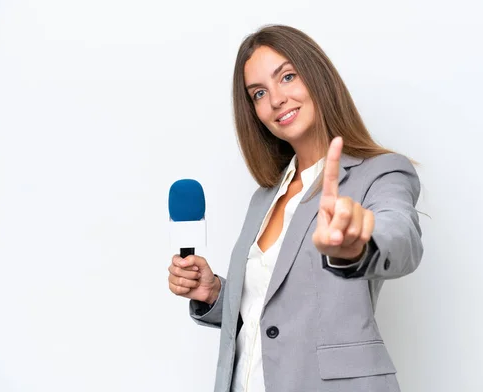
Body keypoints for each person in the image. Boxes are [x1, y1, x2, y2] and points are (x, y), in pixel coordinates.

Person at [168, 24, 424, 392]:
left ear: (317, 75)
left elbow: (401, 236)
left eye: (287, 76)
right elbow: (269, 317)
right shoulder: (266, 196)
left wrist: (359, 245)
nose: (275, 100)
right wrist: (214, 294)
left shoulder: (380, 172)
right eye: (259, 93)